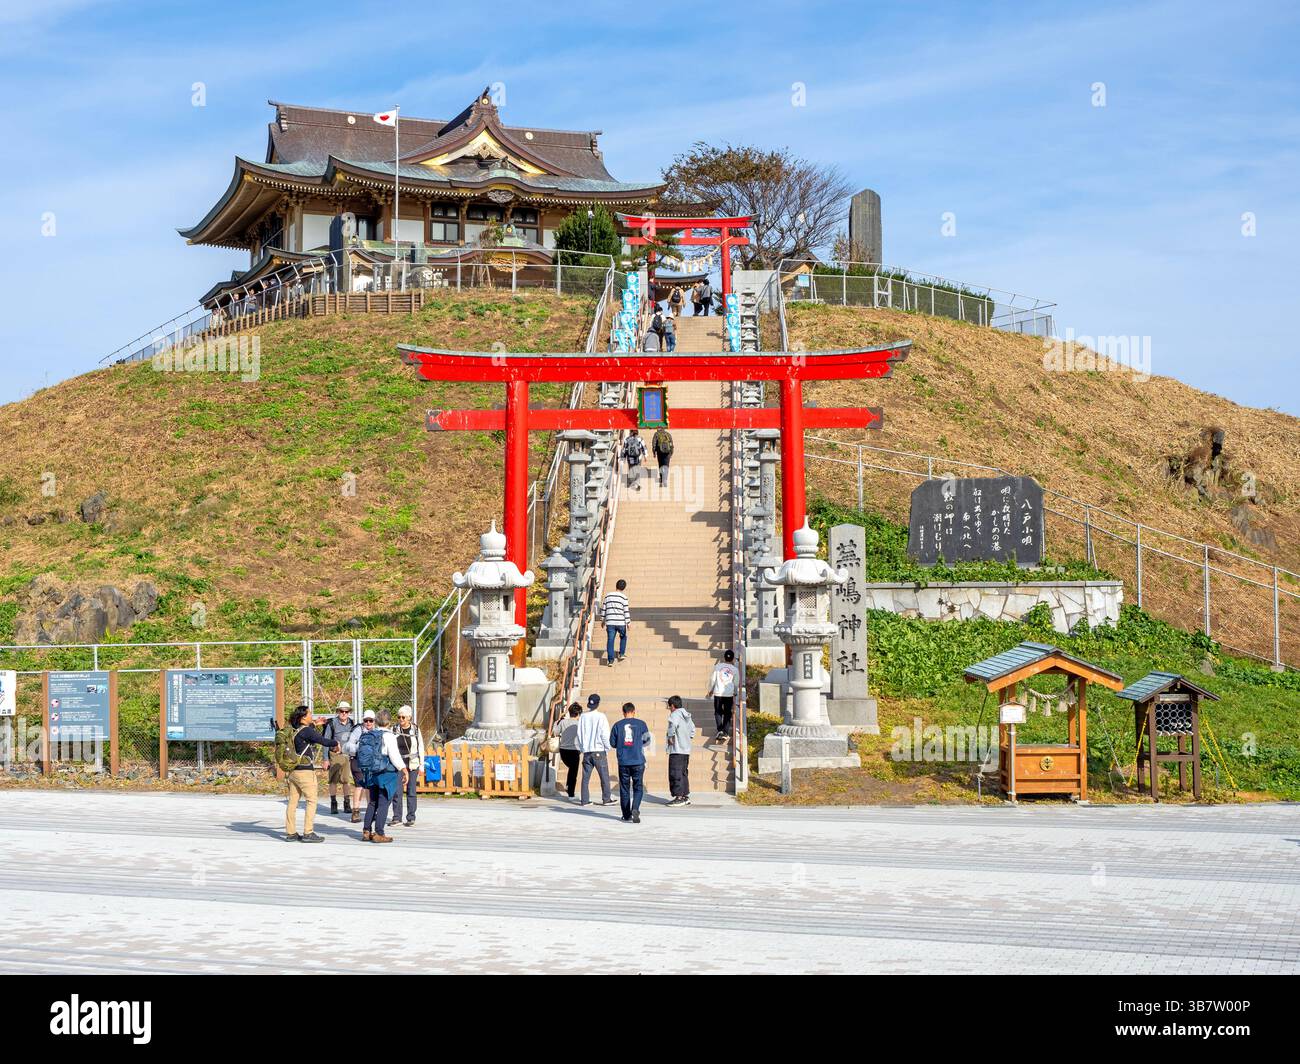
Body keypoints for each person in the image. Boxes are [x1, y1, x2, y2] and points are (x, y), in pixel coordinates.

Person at [281, 705, 340, 843]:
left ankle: (291, 833)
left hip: (293, 771)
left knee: (292, 802)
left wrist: (315, 723)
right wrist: (336, 742)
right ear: (303, 717)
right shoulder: (306, 731)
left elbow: (308, 735)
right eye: (309, 714)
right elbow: (322, 741)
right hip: (305, 772)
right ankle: (308, 832)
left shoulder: (295, 730)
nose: (311, 716)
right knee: (312, 801)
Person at [355, 708, 407, 843]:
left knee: (372, 802)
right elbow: (394, 756)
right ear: (389, 722)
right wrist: (403, 769)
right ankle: (379, 833)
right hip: (386, 773)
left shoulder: (371, 733)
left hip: (371, 773)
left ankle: (366, 831)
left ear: (376, 721)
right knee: (383, 803)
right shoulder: (389, 736)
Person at [611, 702, 652, 823]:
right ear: (634, 711)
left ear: (623, 712)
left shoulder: (617, 725)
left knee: (624, 788)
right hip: (638, 760)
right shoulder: (641, 724)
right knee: (638, 787)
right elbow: (647, 740)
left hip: (623, 761)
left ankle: (626, 814)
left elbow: (612, 743)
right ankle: (635, 808)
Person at [389, 705, 425, 828]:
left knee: (411, 791)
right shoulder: (394, 729)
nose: (401, 719)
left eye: (403, 717)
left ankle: (411, 817)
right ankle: (397, 817)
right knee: (397, 791)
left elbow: (421, 747)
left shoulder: (415, 729)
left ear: (409, 717)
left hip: (413, 763)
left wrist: (421, 766)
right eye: (399, 717)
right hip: (399, 763)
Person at [576, 694, 614, 806]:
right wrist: (608, 747)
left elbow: (579, 734)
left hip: (587, 751)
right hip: (598, 750)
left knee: (585, 778)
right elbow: (604, 734)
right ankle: (606, 799)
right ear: (598, 703)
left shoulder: (583, 716)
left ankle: (585, 800)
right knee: (604, 776)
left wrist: (583, 748)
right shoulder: (601, 716)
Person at [321, 700, 358, 816]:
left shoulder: (351, 723)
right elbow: (326, 741)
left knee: (346, 780)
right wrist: (325, 759)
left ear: (349, 712)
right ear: (338, 711)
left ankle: (347, 803)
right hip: (335, 755)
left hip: (346, 755)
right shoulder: (332, 724)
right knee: (333, 780)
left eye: (346, 711)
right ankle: (333, 803)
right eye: (341, 711)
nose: (344, 713)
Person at [665, 695, 695, 806]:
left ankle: (678, 797)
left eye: (669, 706)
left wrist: (671, 736)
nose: (669, 709)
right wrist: (688, 738)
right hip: (686, 750)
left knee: (675, 773)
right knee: (683, 773)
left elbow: (672, 724)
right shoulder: (687, 716)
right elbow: (693, 729)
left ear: (672, 706)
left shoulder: (675, 714)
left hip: (677, 749)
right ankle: (685, 796)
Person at [707, 649, 740, 744]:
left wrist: (710, 690)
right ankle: (725, 732)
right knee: (727, 713)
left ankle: (720, 730)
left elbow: (712, 679)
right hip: (728, 694)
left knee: (718, 712)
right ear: (733, 659)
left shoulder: (717, 666)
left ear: (724, 657)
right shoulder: (734, 669)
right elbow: (736, 682)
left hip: (718, 693)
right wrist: (735, 692)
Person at [343, 710, 370, 822]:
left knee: (369, 786)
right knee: (359, 786)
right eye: (366, 720)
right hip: (357, 760)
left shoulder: (377, 730)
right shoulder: (358, 730)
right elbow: (349, 745)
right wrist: (361, 748)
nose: (368, 723)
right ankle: (355, 812)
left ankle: (370, 810)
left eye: (371, 721)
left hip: (370, 762)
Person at [554, 702, 583, 800]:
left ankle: (568, 786)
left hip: (563, 751)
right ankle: (571, 794)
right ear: (579, 714)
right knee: (573, 772)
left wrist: (556, 722)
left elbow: (556, 732)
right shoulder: (579, 724)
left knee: (571, 769)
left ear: (569, 713)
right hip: (574, 750)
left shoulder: (563, 722)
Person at [601, 578, 630, 666]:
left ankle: (610, 660)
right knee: (623, 637)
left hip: (610, 622)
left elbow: (604, 608)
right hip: (621, 622)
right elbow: (626, 611)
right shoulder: (624, 597)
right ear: (624, 588)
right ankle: (621, 654)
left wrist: (602, 620)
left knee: (610, 640)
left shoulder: (608, 596)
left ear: (616, 586)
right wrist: (628, 622)